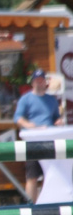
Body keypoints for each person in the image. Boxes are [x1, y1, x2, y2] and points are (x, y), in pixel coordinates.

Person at [13, 68, 63, 203]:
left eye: (42, 81)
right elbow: (18, 119)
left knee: (51, 175)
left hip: (49, 140)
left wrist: (58, 122)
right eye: (37, 81)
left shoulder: (51, 100)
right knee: (32, 176)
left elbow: (55, 118)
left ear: (45, 82)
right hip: (33, 140)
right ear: (33, 82)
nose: (40, 83)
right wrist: (32, 127)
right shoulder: (26, 99)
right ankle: (31, 206)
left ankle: (47, 203)